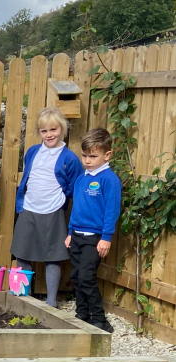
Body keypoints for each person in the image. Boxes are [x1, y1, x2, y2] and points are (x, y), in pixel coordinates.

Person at [11, 107, 84, 307]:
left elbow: (73, 188)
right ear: (39, 132)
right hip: (29, 209)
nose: (49, 134)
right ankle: (23, 296)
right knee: (22, 252)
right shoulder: (33, 152)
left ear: (62, 129)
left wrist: (59, 200)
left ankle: (51, 302)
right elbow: (28, 177)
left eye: (53, 130)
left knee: (53, 257)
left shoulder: (69, 158)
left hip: (52, 212)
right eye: (44, 131)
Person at [65, 128, 121, 334]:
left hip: (95, 238)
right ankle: (82, 315)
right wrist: (70, 232)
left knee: (87, 276)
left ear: (107, 155)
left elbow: (112, 210)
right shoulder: (81, 179)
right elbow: (76, 207)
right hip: (77, 236)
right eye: (84, 155)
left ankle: (100, 320)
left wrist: (106, 237)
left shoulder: (109, 179)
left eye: (93, 156)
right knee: (77, 276)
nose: (87, 160)